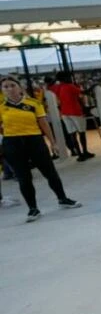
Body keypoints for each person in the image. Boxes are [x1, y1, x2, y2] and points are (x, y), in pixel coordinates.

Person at [0, 75, 82, 222]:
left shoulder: (33, 103)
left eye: (12, 85)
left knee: (50, 172)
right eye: (5, 87)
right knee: (24, 178)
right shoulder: (1, 107)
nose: (9, 89)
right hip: (12, 144)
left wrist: (53, 142)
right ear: (2, 90)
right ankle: (33, 208)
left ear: (19, 87)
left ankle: (62, 199)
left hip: (34, 140)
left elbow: (44, 124)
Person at [50, 71, 95, 161]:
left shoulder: (57, 87)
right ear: (65, 77)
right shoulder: (70, 86)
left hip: (64, 113)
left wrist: (56, 79)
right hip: (75, 112)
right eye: (69, 76)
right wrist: (94, 86)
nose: (70, 78)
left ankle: (79, 154)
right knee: (81, 132)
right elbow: (83, 92)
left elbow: (50, 86)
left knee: (72, 134)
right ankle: (85, 152)